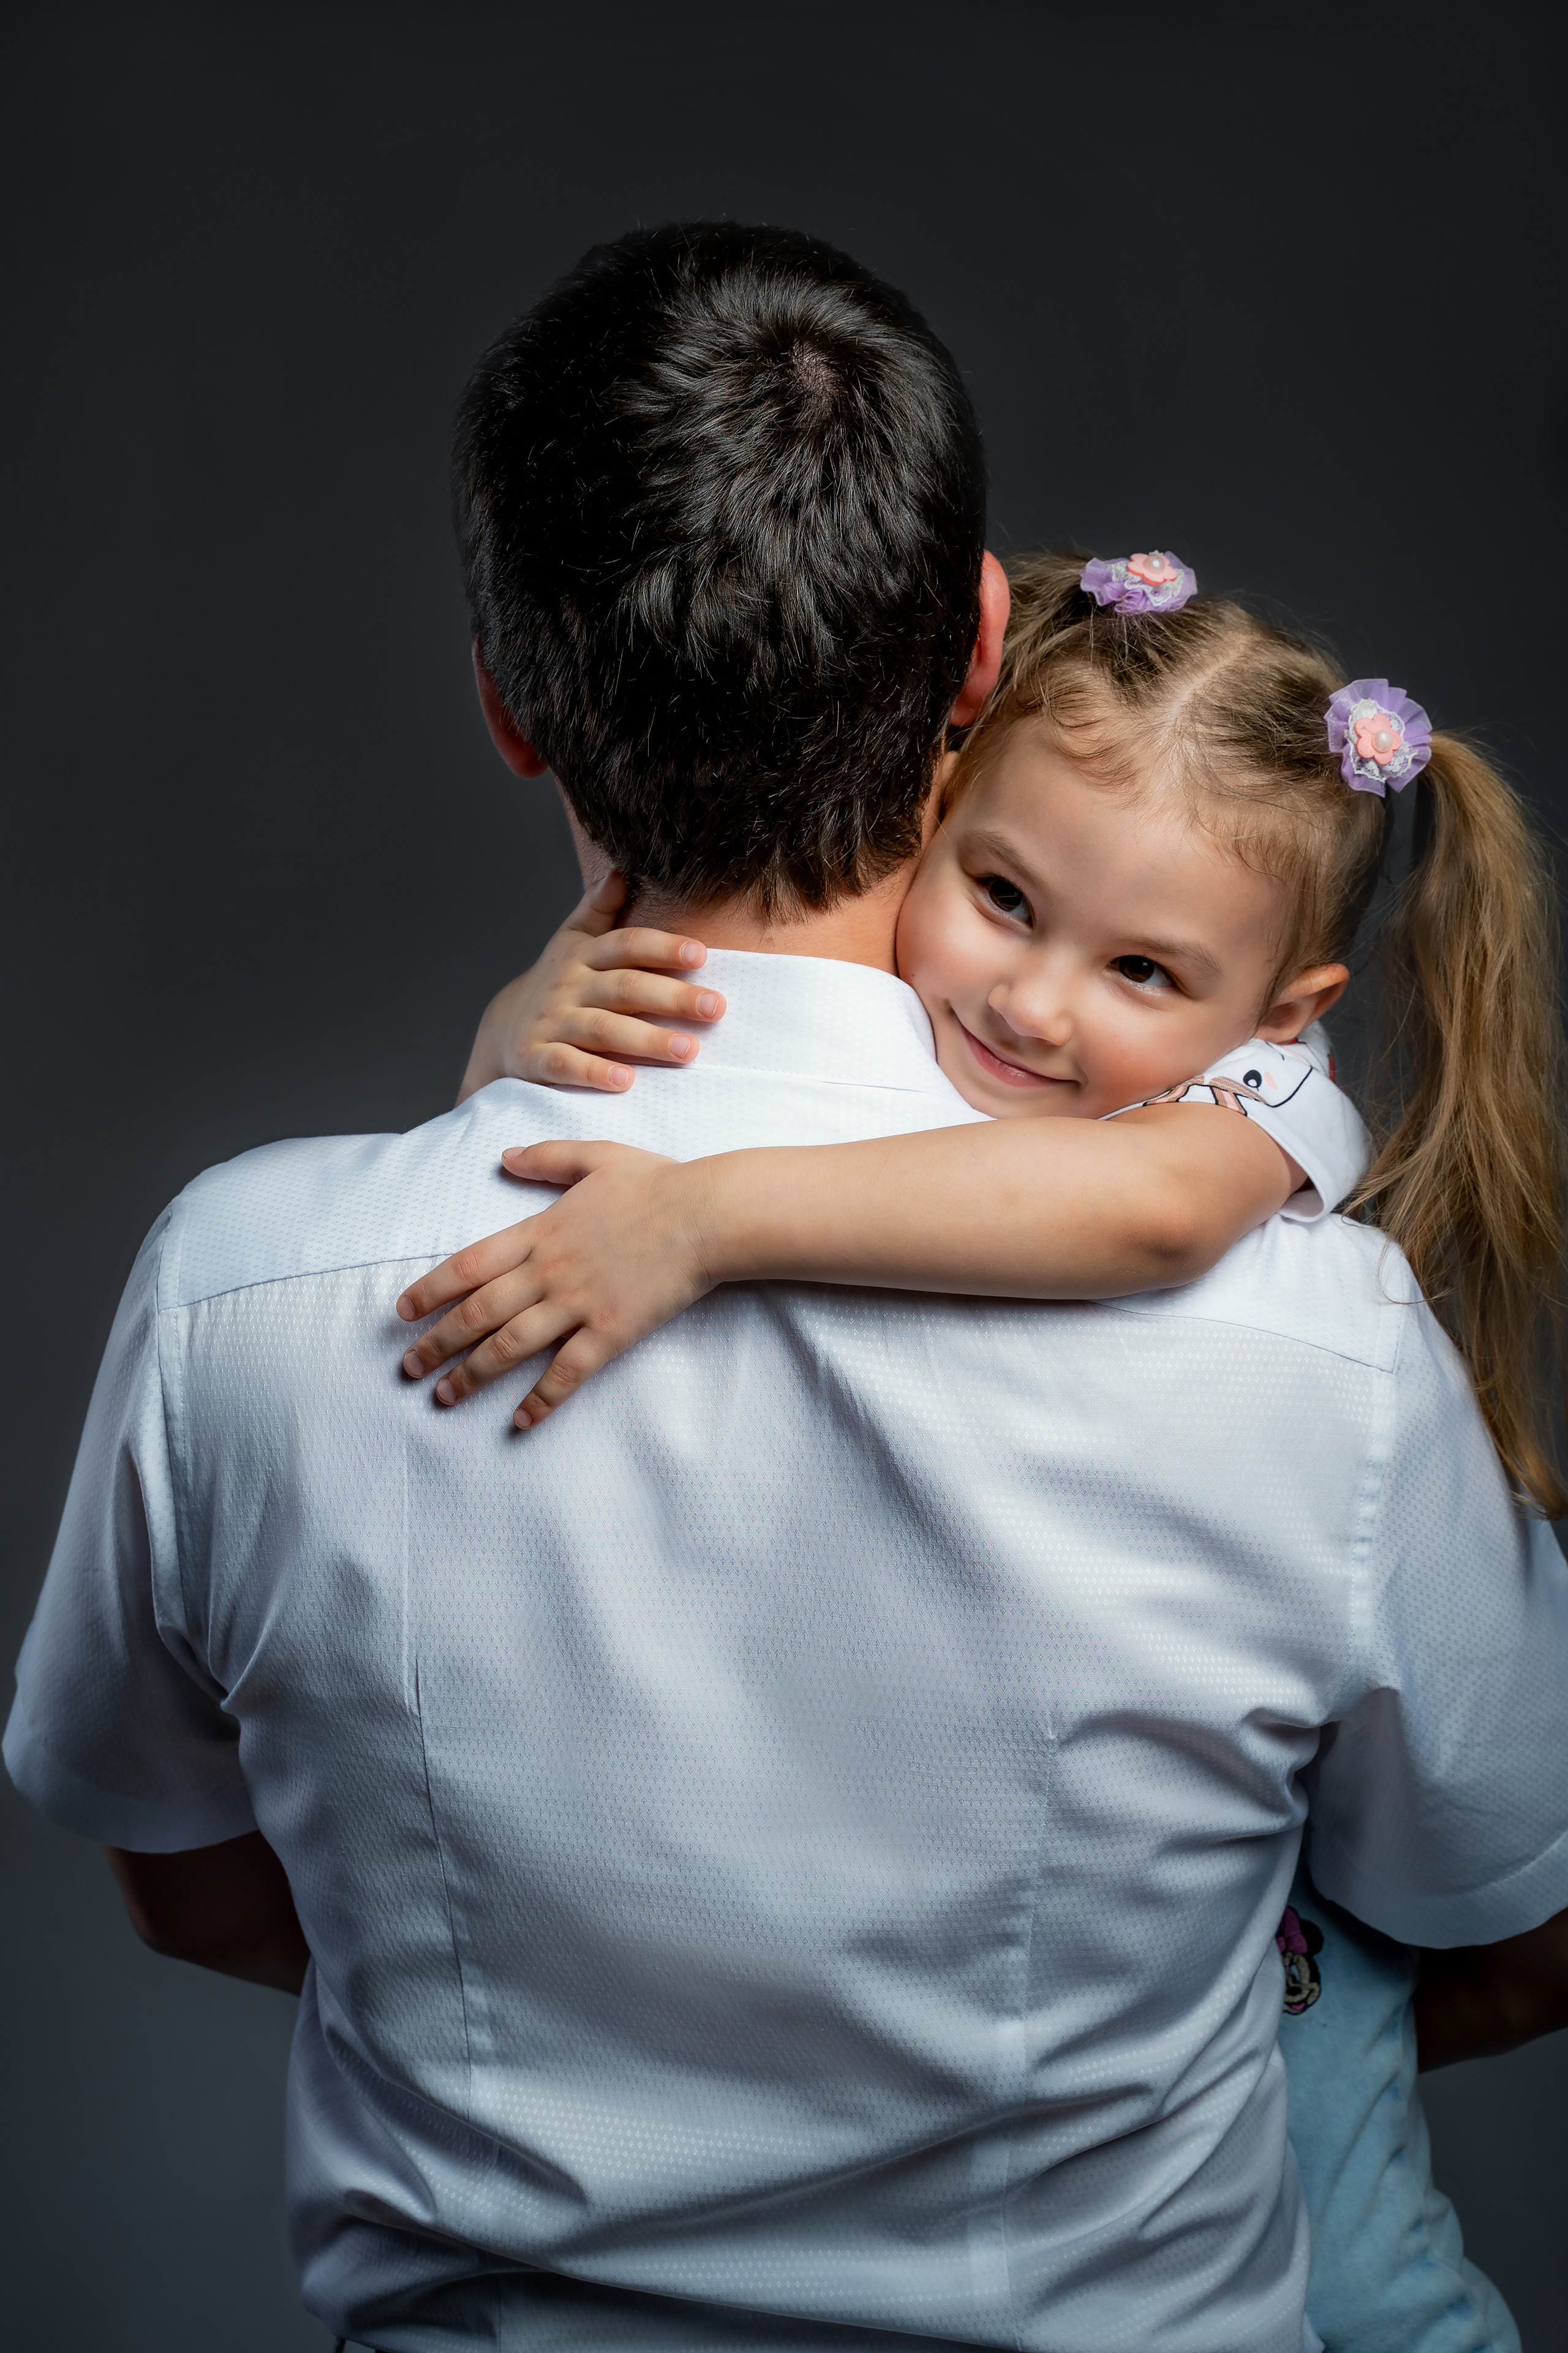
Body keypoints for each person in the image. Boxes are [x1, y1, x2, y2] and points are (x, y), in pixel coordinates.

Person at [7, 222, 1568, 2353]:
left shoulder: (242, 1295)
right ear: (985, 649)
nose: (1047, 990)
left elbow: (187, 1877)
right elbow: (1514, 1922)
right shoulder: (1315, 1347)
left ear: (507, 712)